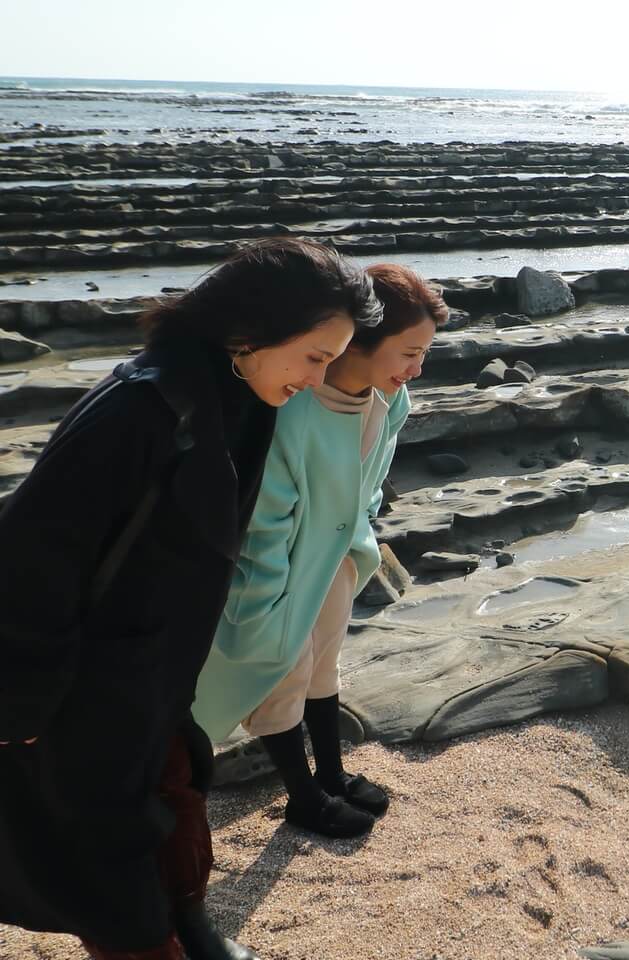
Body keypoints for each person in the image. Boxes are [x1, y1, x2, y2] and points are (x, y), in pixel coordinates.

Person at [0, 238, 382, 960]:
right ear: (249, 334)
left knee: (177, 799)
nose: (321, 376)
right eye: (314, 356)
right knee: (107, 868)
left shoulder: (239, 394)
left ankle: (191, 928)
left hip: (155, 678)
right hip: (83, 696)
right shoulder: (140, 411)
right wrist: (18, 707)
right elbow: (27, 562)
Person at [192, 263, 444, 838]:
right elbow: (265, 525)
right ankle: (303, 795)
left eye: (423, 353)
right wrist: (264, 605)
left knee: (322, 664)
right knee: (284, 669)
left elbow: (372, 479)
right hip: (279, 567)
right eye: (409, 351)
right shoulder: (290, 411)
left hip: (339, 551)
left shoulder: (387, 398)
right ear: (363, 341)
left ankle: (330, 772)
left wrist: (362, 537)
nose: (418, 368)